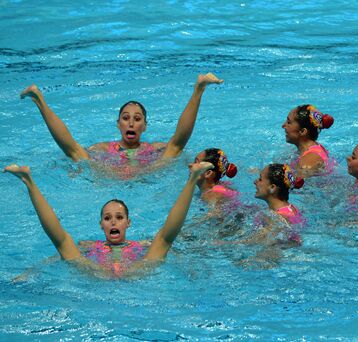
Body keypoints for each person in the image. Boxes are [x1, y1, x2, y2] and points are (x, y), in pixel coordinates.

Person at [3, 161, 214, 278]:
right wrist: (33, 270)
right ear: (101, 224)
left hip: (135, 271)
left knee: (164, 240)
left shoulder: (142, 245)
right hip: (96, 272)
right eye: (107, 218)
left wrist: (191, 268)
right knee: (63, 245)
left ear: (128, 223)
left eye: (119, 217)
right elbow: (52, 258)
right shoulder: (89, 246)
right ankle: (28, 181)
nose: (113, 222)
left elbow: (174, 249)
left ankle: (192, 180)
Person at [20, 73, 223, 175]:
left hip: (146, 173)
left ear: (145, 126)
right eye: (125, 118)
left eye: (137, 119)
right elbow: (74, 149)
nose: (131, 123)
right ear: (118, 124)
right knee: (74, 152)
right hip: (110, 176)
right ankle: (39, 100)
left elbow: (178, 141)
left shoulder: (155, 148)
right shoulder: (101, 148)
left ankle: (199, 88)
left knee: (175, 148)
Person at [252, 163, 305, 245]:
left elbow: (261, 242)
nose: (255, 182)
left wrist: (227, 243)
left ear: (272, 187)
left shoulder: (276, 218)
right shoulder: (291, 209)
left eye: (260, 179)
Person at [282, 104, 334, 177]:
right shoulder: (314, 147)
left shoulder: (307, 162)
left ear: (302, 131)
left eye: (289, 122)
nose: (283, 125)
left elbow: (299, 186)